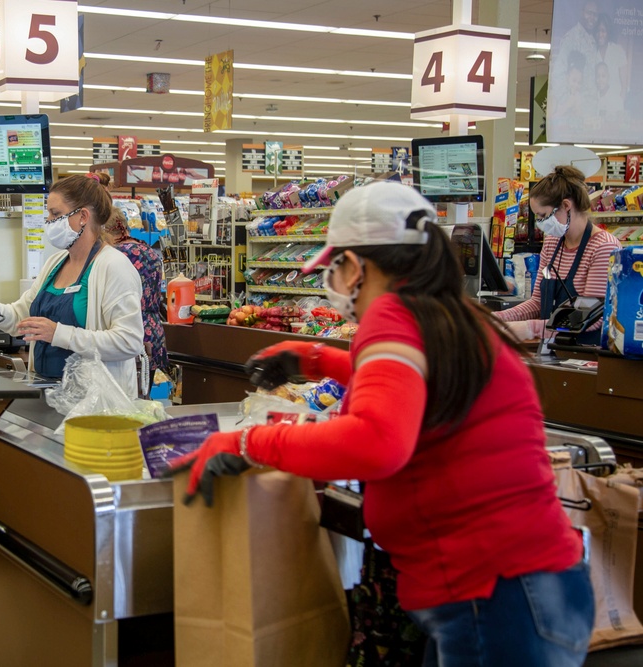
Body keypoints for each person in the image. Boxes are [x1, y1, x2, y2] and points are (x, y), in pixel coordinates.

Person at [171, 182, 594, 667]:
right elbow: (421, 392)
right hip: (523, 586)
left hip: (493, 596)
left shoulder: (394, 315)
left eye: (337, 265)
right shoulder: (444, 314)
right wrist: (317, 359)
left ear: (358, 264)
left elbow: (377, 441)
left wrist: (249, 441)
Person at [0, 175, 144, 398]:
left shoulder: (114, 267)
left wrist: (59, 334)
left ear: (83, 216)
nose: (49, 221)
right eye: (48, 214)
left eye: (56, 214)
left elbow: (129, 341)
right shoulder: (55, 263)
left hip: (94, 405)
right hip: (48, 395)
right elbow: (19, 319)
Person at [497, 165, 620, 342]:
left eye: (543, 215)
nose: (540, 223)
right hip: (553, 347)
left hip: (587, 354)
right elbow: (538, 303)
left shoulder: (603, 248)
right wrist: (498, 318)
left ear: (566, 206)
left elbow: (591, 317)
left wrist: (531, 329)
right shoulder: (552, 242)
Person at [103, 208, 168, 392]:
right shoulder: (151, 252)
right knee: (144, 395)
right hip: (153, 330)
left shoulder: (113, 256)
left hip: (126, 329)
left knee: (120, 397)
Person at [595, 13, 627, 107]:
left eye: (603, 31)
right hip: (598, 105)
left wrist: (621, 102)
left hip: (616, 104)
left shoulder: (618, 50)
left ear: (608, 32)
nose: (600, 34)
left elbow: (624, 85)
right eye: (597, 31)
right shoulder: (593, 52)